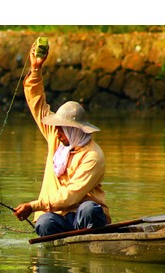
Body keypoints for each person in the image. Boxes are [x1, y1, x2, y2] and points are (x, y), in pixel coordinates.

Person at [13, 40, 111, 237]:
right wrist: (35, 70)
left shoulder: (93, 156)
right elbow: (38, 106)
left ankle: (87, 242)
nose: (56, 133)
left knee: (89, 210)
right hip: (58, 216)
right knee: (44, 223)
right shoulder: (57, 139)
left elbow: (71, 195)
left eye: (61, 130)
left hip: (83, 216)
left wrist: (33, 205)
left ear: (74, 131)